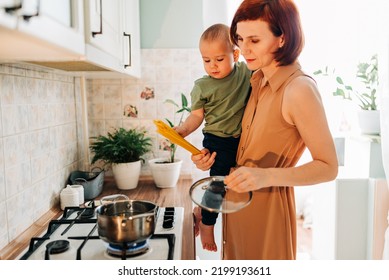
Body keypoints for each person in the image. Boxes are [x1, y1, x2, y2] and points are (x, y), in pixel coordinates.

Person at [191, 0, 338, 260]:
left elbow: (328, 167)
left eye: (254, 41)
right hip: (236, 211)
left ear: (282, 38)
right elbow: (240, 150)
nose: (243, 48)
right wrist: (211, 192)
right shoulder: (255, 80)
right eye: (240, 38)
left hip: (268, 216)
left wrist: (265, 176)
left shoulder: (299, 89)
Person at [174, 23, 252, 252]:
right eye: (206, 60)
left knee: (230, 185)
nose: (213, 66)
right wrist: (184, 130)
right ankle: (208, 225)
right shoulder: (202, 86)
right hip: (217, 140)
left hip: (241, 139)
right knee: (218, 186)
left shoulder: (245, 73)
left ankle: (201, 209)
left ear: (235, 54)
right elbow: (196, 116)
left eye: (219, 59)